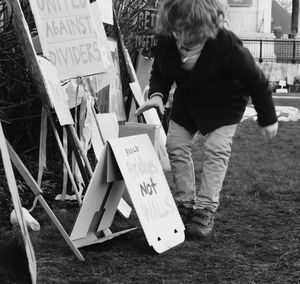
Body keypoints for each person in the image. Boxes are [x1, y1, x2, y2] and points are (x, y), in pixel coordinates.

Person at [135, 0, 278, 238]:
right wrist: (158, 95)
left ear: (206, 26)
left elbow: (257, 80)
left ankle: (205, 209)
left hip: (225, 103)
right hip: (188, 100)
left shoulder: (227, 45)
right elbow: (160, 70)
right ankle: (184, 204)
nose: (182, 37)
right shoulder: (167, 39)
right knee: (175, 146)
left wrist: (268, 118)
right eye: (178, 30)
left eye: (189, 31)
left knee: (216, 149)